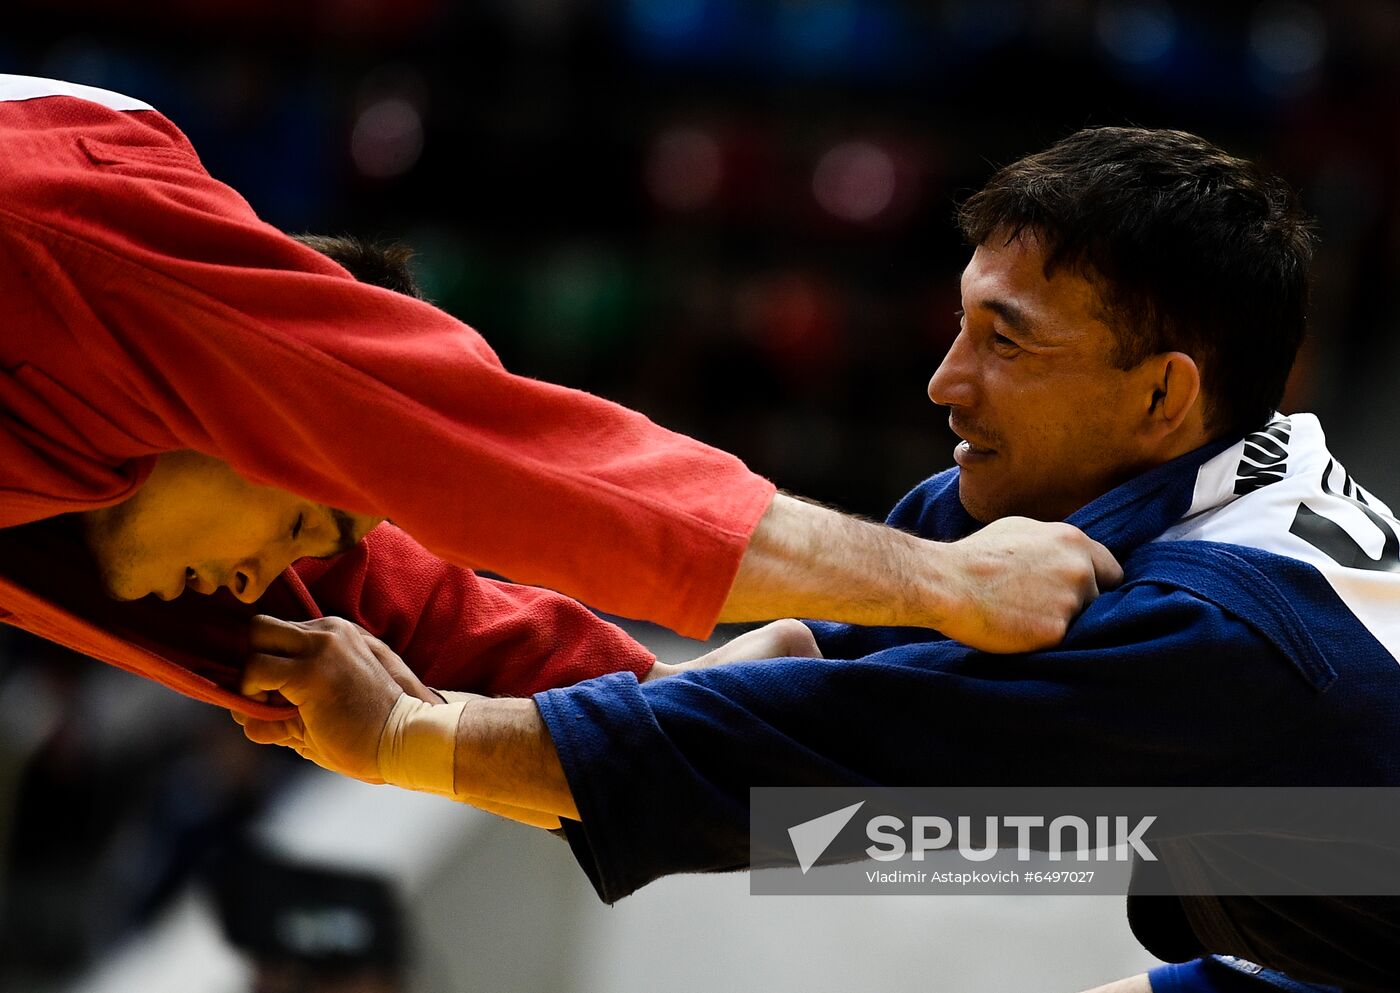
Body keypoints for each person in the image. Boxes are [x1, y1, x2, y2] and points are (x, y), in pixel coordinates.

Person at [239, 127, 1400, 992]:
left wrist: (410, 742)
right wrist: (578, 745)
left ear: (1161, 395)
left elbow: (805, 777)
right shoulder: (1119, 500)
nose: (945, 382)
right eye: (959, 322)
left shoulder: (1211, 635)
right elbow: (802, 685)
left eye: (1005, 343)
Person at [0, 72, 1118, 712]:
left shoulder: (95, 471)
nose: (267, 576)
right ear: (248, 399)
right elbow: (486, 453)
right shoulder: (74, 228)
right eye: (302, 514)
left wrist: (658, 706)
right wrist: (936, 579)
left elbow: (410, 624)